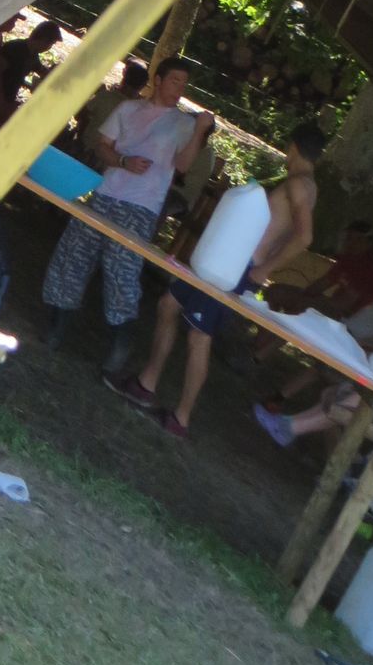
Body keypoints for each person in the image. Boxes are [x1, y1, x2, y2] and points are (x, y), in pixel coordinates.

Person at [109, 121, 326, 438]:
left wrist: (265, 269)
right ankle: (146, 383)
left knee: (200, 336)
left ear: (293, 147)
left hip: (241, 268)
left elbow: (304, 237)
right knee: (169, 304)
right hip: (229, 258)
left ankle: (181, 418)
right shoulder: (306, 186)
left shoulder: (299, 185)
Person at [41, 57, 214, 372]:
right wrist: (123, 161)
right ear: (158, 80)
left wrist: (200, 131)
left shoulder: (183, 124)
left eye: (184, 83)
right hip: (107, 192)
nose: (179, 88)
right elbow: (102, 146)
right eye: (174, 80)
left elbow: (183, 165)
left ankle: (121, 341)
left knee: (121, 267)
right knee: (74, 253)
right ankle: (57, 323)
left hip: (142, 204)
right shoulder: (128, 109)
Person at [254, 264, 373, 450]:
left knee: (351, 398)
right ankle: (287, 423)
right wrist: (361, 346)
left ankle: (289, 427)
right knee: (330, 392)